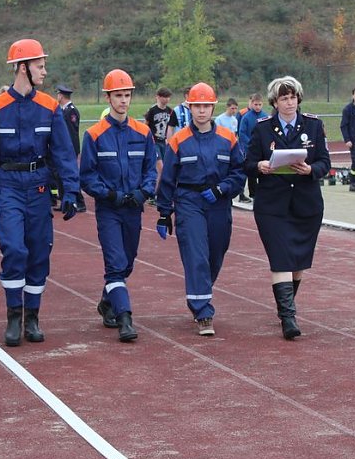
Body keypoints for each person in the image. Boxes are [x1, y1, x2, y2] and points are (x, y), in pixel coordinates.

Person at [0, 38, 80, 348]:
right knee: (15, 249)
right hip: (8, 187)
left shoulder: (50, 108)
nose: (44, 71)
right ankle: (14, 316)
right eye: (39, 66)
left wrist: (70, 190)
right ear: (22, 68)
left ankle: (33, 316)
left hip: (39, 187)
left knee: (39, 253)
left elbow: (63, 153)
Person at [155, 83, 245, 336]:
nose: (202, 111)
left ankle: (201, 289)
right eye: (197, 106)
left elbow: (239, 174)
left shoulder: (228, 138)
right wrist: (164, 213)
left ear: (213, 107)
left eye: (206, 106)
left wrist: (222, 189)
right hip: (189, 202)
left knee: (216, 253)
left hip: (218, 203)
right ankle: (203, 311)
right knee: (196, 255)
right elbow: (168, 179)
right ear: (190, 107)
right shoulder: (178, 140)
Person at [245, 76, 331, 340]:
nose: (289, 102)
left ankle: (287, 305)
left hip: (306, 205)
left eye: (293, 97)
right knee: (280, 258)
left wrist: (310, 169)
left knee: (298, 262)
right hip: (272, 205)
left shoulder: (314, 126)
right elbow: (247, 163)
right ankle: (288, 317)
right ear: (275, 102)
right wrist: (260, 166)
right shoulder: (262, 129)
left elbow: (325, 163)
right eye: (284, 98)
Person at [80, 69, 156, 342]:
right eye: (118, 96)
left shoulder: (143, 133)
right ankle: (125, 319)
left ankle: (106, 301)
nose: (123, 101)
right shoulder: (94, 134)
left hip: (133, 208)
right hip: (109, 209)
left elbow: (150, 170)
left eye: (127, 95)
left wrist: (143, 192)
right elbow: (87, 176)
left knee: (127, 263)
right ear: (108, 97)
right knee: (115, 264)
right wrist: (109, 195)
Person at [55, 84, 86, 212]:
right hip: (63, 149)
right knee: (60, 175)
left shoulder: (71, 111)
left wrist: (71, 150)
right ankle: (64, 201)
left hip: (69, 149)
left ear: (61, 96)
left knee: (71, 174)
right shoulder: (63, 110)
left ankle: (80, 202)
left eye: (58, 94)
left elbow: (72, 133)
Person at [236, 93, 268, 203]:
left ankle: (264, 193)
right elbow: (242, 133)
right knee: (251, 172)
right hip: (250, 149)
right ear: (251, 104)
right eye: (255, 104)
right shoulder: (246, 117)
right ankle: (252, 194)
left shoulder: (265, 116)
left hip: (263, 149)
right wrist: (251, 144)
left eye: (259, 104)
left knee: (265, 170)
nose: (258, 106)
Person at [144, 87, 175, 181]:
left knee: (166, 168)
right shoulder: (152, 110)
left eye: (168, 97)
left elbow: (171, 127)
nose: (167, 99)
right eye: (164, 97)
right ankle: (154, 193)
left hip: (164, 143)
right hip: (154, 142)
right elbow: (145, 126)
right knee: (160, 168)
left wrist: (168, 140)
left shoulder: (170, 111)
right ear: (158, 97)